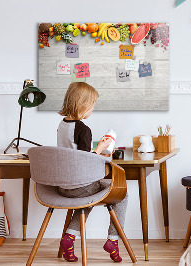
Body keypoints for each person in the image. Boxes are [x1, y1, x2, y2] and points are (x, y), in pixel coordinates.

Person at [57, 82, 127, 263]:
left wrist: (97, 149)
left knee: (87, 197)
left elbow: (74, 154)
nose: (92, 110)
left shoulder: (62, 125)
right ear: (83, 105)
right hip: (80, 186)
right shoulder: (83, 129)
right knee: (122, 194)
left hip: (63, 186)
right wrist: (102, 148)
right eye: (92, 105)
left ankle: (69, 238)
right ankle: (113, 240)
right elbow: (85, 161)